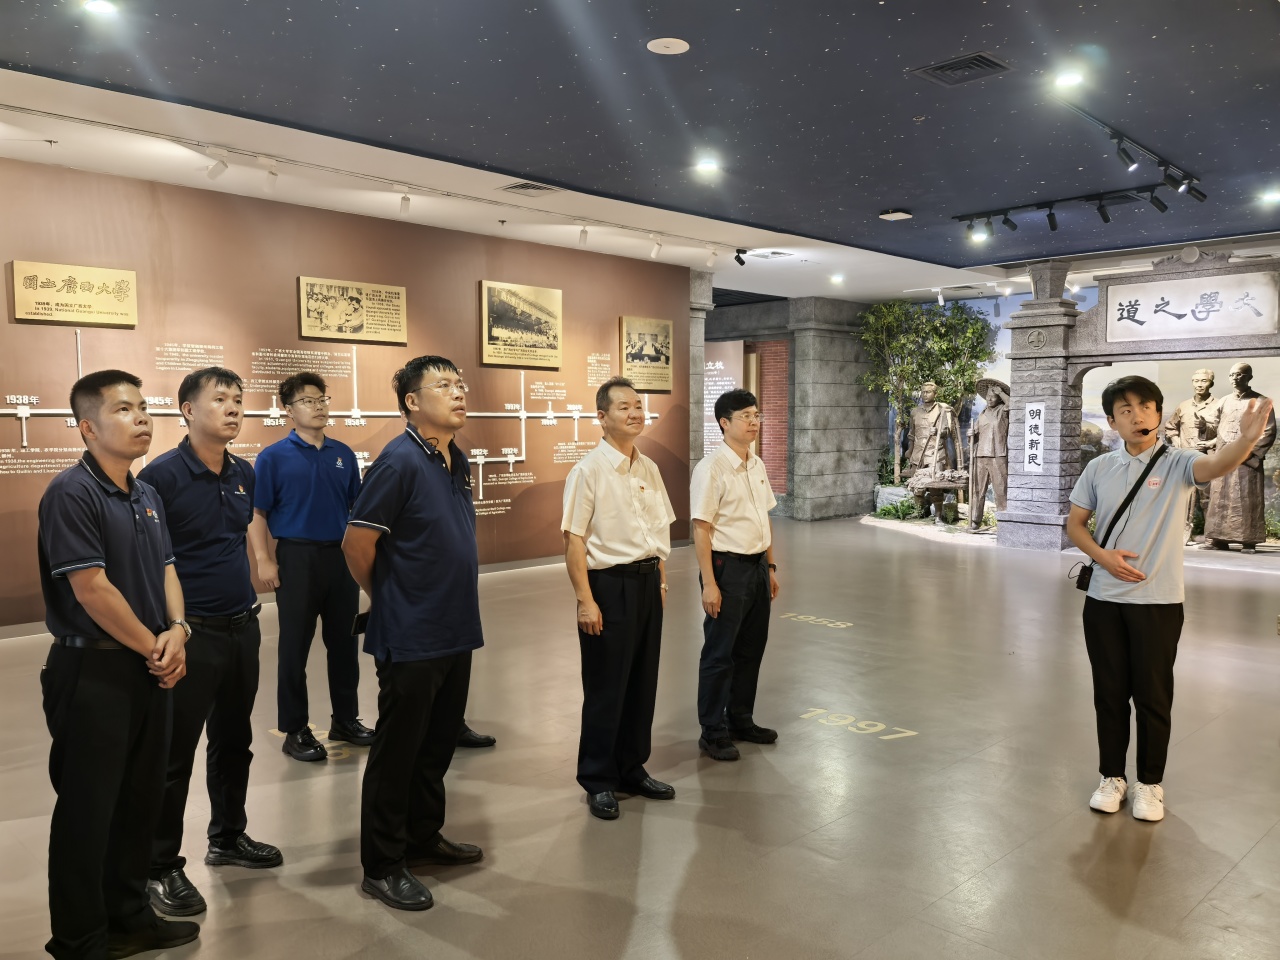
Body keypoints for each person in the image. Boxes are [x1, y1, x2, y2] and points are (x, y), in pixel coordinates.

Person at [37, 370, 197, 959]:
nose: (142, 418)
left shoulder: (145, 494)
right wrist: (155, 646)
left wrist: (178, 631)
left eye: (143, 407)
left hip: (148, 666)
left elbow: (168, 569)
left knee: (139, 801)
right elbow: (92, 589)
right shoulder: (71, 493)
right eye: (124, 409)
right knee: (88, 809)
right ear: (87, 427)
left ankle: (130, 916)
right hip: (94, 672)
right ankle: (80, 938)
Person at [1066, 375, 1273, 822]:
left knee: (1153, 697)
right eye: (1125, 410)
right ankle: (1111, 777)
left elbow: (1217, 465)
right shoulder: (1098, 468)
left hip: (1158, 602)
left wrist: (1246, 440)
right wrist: (1103, 556)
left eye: (1146, 407)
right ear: (1112, 422)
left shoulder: (1179, 462)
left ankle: (1149, 784)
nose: (1137, 416)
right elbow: (1075, 525)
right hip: (1103, 600)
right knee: (1109, 694)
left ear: (1159, 414)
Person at [138, 367, 282, 918]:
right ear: (188, 411)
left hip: (242, 625)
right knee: (175, 753)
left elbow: (239, 538)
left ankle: (227, 836)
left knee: (233, 739)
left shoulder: (243, 472)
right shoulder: (161, 477)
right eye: (219, 399)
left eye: (238, 399)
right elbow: (152, 563)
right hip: (190, 631)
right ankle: (159, 865)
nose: (233, 408)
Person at [343, 355, 486, 911]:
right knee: (398, 751)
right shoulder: (398, 461)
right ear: (411, 401)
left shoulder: (454, 457)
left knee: (436, 744)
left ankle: (423, 836)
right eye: (443, 385)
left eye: (459, 383)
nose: (458, 392)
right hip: (412, 631)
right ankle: (382, 864)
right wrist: (389, 596)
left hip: (455, 626)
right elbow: (357, 544)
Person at [562, 376, 677, 820]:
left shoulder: (648, 467)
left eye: (638, 406)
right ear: (602, 417)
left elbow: (657, 533)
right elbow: (574, 541)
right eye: (624, 407)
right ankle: (597, 778)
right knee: (606, 687)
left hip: (647, 583)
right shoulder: (588, 471)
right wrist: (585, 600)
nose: (634, 413)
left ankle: (632, 767)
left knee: (642, 683)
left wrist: (660, 583)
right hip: (609, 586)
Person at [249, 372, 374, 761]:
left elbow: (356, 509)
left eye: (322, 399)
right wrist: (264, 559)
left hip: (339, 558)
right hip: (297, 558)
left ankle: (346, 720)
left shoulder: (343, 454)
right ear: (288, 410)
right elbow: (257, 513)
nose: (318, 407)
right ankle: (294, 729)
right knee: (294, 647)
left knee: (344, 644)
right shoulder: (272, 457)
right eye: (307, 401)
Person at [690, 389, 780, 762]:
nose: (754, 422)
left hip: (756, 566)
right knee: (720, 652)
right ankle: (712, 731)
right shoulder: (711, 468)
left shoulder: (755, 464)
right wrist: (709, 583)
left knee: (750, 648)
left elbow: (764, 517)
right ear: (724, 423)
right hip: (726, 568)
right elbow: (701, 528)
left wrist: (770, 566)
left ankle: (740, 719)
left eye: (757, 415)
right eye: (746, 416)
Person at [1202, 362, 1275, 553]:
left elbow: (1268, 431)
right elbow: (1214, 426)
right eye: (1232, 375)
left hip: (1246, 460)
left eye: (1240, 374)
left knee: (1246, 497)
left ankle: (1248, 540)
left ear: (1249, 377)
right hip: (1224, 457)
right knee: (1220, 497)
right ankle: (1218, 538)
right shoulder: (1224, 401)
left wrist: (1247, 452)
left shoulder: (1261, 402)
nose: (1235, 378)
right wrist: (1204, 426)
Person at [1163, 368, 1220, 544]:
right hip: (1185, 459)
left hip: (1208, 459)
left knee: (1209, 499)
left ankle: (1212, 537)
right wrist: (1176, 441)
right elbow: (1170, 427)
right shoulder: (1184, 406)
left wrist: (1210, 441)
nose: (1199, 385)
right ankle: (1182, 535)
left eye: (1203, 381)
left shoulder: (1219, 405)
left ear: (1211, 383)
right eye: (1196, 381)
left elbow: (1225, 433)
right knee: (1184, 497)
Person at [906, 381, 956, 521]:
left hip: (935, 453)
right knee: (917, 484)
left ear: (935, 393)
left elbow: (947, 431)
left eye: (928, 392)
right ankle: (919, 512)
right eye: (923, 392)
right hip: (918, 454)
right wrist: (910, 450)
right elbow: (911, 434)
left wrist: (938, 431)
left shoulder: (941, 410)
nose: (925, 394)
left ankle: (938, 515)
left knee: (935, 485)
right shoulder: (915, 412)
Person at [968, 378, 1010, 531]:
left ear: (999, 398)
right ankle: (975, 520)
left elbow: (1013, 405)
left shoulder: (1003, 411)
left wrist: (1001, 392)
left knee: (1001, 489)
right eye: (988, 396)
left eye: (993, 396)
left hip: (998, 454)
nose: (990, 399)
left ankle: (1004, 523)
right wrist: (971, 434)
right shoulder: (982, 414)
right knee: (978, 490)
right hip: (981, 455)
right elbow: (975, 435)